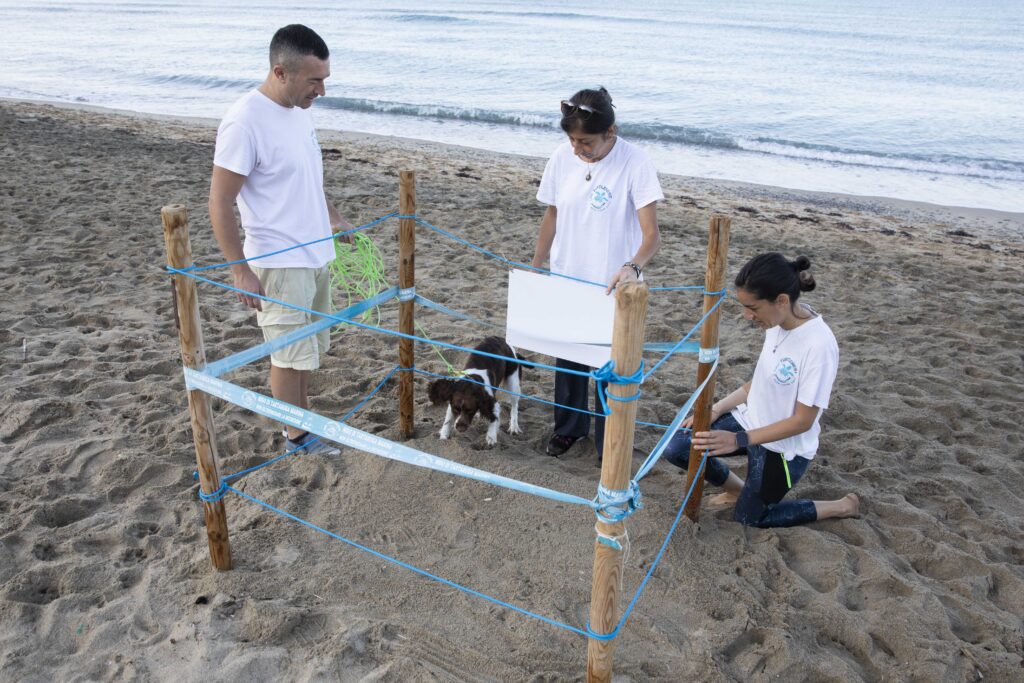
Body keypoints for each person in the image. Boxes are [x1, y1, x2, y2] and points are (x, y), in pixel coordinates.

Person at [208, 24, 354, 456]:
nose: (321, 91)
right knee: (287, 357)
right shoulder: (243, 122)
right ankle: (296, 437)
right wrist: (240, 271)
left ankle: (303, 424)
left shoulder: (299, 108)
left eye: (324, 79)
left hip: (316, 255)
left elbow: (307, 177)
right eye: (314, 81)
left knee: (306, 353)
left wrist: (333, 217)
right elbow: (219, 201)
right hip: (278, 260)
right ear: (280, 72)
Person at [663, 253, 860, 527]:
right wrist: (717, 409)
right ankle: (737, 489)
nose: (747, 316)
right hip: (751, 420)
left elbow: (803, 421)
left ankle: (841, 506)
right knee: (677, 447)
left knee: (749, 519)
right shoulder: (777, 322)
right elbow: (761, 382)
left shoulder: (818, 346)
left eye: (752, 308)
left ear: (781, 300)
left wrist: (739, 439)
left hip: (784, 447)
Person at [531, 87, 663, 461]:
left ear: (610, 131)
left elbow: (652, 236)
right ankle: (569, 430)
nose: (577, 149)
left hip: (615, 286)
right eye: (572, 140)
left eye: (585, 142)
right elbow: (553, 214)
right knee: (569, 362)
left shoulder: (636, 163)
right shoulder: (562, 156)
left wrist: (632, 266)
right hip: (568, 277)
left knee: (611, 367)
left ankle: (610, 440)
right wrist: (537, 265)